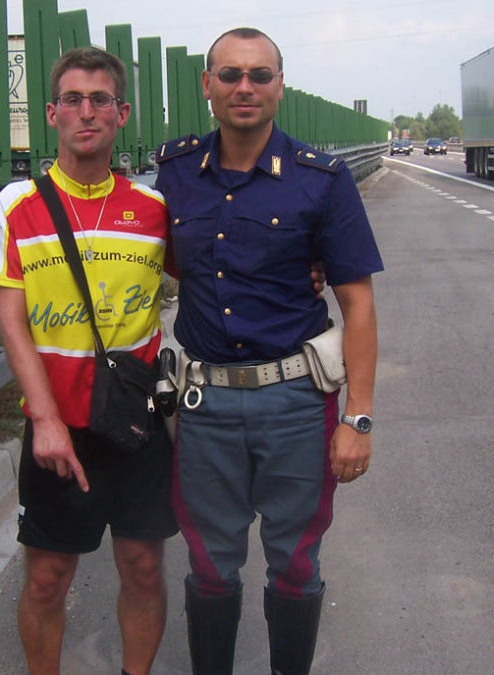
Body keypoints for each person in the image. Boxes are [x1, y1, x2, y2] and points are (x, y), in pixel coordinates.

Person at [154, 27, 383, 675]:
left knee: (296, 559)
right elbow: (162, 260)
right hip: (203, 404)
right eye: (229, 75)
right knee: (208, 562)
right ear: (207, 86)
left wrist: (357, 418)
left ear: (280, 85)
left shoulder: (322, 179)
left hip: (296, 403)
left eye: (259, 75)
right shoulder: (174, 172)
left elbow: (357, 302)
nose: (244, 87)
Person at [0, 47, 176, 675]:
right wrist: (45, 419)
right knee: (47, 578)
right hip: (58, 424)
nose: (87, 112)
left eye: (101, 100)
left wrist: (304, 271)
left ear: (121, 114)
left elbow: (219, 274)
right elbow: (12, 322)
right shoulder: (15, 206)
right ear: (53, 114)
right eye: (73, 100)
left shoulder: (154, 210)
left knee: (143, 566)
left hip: (136, 420)